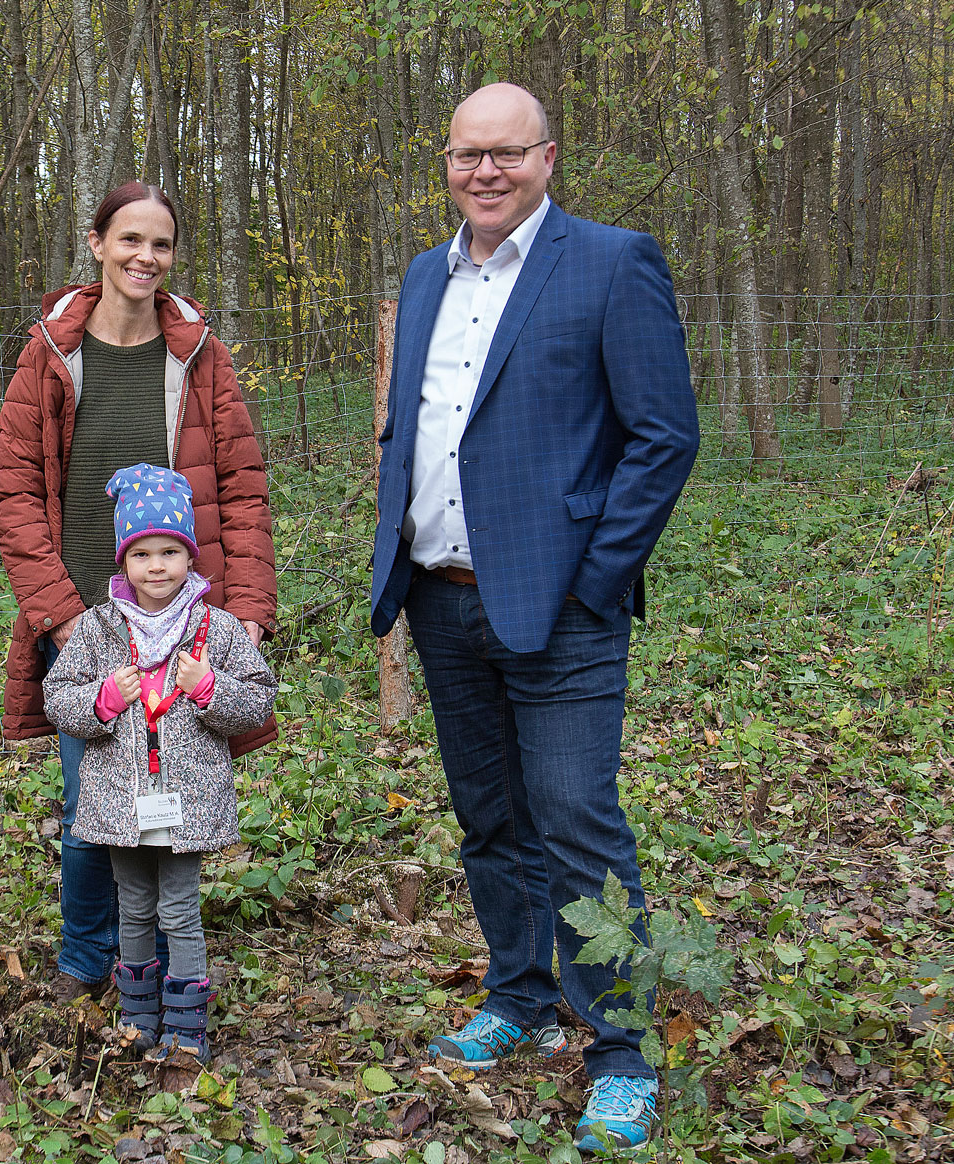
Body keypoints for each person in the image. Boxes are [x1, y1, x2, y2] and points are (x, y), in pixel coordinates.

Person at [369, 84, 700, 1152]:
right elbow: (418, 431)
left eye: (506, 154)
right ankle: (517, 992)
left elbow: (663, 437)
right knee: (488, 819)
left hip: (560, 613)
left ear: (547, 157)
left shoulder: (609, 263)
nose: (485, 173)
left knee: (576, 825)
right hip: (439, 597)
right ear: (447, 161)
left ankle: (618, 1049)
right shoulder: (426, 276)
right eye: (467, 155)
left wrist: (592, 580)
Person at [0, 181, 277, 1003]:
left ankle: (151, 954)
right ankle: (89, 954)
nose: (144, 258)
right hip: (89, 619)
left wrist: (247, 611)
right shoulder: (52, 352)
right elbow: (13, 490)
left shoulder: (197, 355)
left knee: (172, 792)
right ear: (96, 243)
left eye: (160, 244)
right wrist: (65, 615)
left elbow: (242, 487)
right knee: (93, 801)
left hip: (185, 622)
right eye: (129, 241)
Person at [43, 465, 276, 1062]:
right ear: (123, 561)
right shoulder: (98, 630)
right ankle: (138, 1019)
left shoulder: (217, 629)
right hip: (122, 803)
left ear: (189, 557)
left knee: (179, 908)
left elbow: (258, 699)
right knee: (135, 907)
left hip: (186, 806)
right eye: (142, 553)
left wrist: (209, 689)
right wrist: (103, 700)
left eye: (170, 551)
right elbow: (56, 696)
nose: (156, 566)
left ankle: (186, 1027)